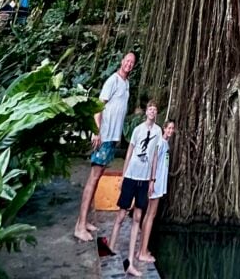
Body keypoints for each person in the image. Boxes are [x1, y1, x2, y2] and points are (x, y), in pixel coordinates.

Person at [74, 51, 136, 241]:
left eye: (132, 62)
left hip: (110, 138)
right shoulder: (113, 81)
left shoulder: (126, 84)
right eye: (127, 61)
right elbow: (97, 108)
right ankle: (79, 225)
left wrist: (115, 137)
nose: (129, 64)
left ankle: (84, 221)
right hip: (103, 136)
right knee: (93, 178)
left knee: (98, 177)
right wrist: (96, 132)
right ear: (121, 61)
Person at [108, 100, 162, 277]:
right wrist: (123, 175)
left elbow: (154, 156)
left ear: (156, 113)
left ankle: (130, 262)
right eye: (150, 109)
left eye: (155, 110)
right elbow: (130, 151)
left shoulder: (158, 131)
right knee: (121, 215)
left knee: (137, 217)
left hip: (144, 180)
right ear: (146, 112)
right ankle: (110, 247)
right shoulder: (138, 129)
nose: (152, 112)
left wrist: (152, 179)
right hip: (131, 176)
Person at [137, 119, 176, 266]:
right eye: (168, 128)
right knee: (150, 215)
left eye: (172, 129)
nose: (170, 131)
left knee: (149, 215)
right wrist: (152, 180)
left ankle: (142, 249)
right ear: (164, 128)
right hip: (155, 183)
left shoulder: (165, 143)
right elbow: (153, 160)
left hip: (159, 183)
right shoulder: (160, 142)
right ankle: (142, 252)